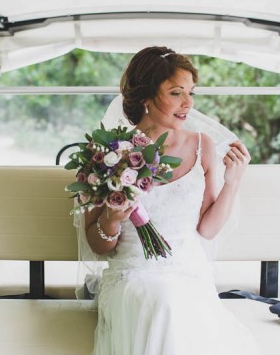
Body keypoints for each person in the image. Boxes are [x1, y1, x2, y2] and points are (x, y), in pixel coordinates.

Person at [84, 46, 260, 354]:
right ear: (145, 97)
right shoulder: (107, 154)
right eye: (177, 93)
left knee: (174, 303)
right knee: (163, 302)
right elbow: (98, 246)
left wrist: (233, 182)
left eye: (191, 93)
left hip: (189, 273)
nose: (188, 104)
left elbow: (206, 230)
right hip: (132, 276)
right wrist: (112, 218)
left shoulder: (202, 146)